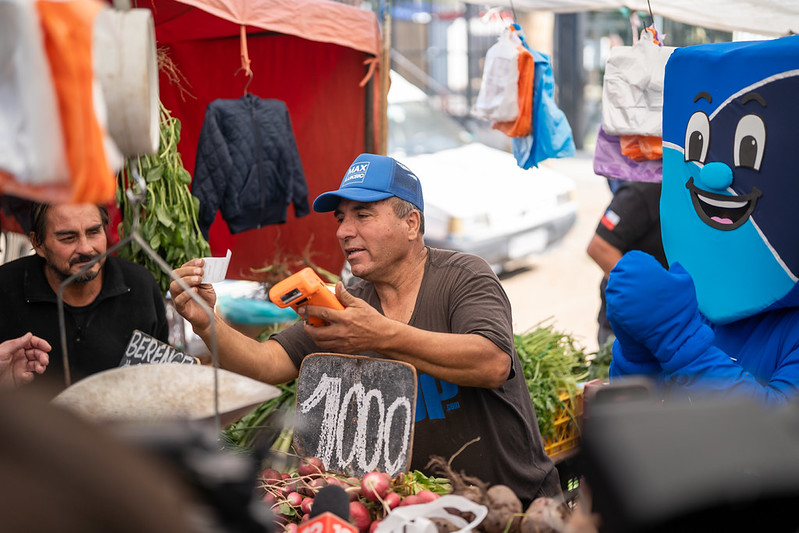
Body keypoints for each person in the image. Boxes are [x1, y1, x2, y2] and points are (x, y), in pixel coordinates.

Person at [170, 153, 561, 505]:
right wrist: (208, 324)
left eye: (363, 215)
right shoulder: (346, 302)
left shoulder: (464, 276)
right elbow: (267, 363)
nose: (343, 231)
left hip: (515, 506)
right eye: (341, 218)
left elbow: (491, 363)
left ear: (411, 223)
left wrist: (379, 335)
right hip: (421, 513)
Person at [0, 202, 169, 395]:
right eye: (68, 238)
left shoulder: (139, 286)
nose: (86, 249)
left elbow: (162, 383)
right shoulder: (5, 288)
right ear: (38, 243)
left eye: (94, 232)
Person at [586, 180, 666, 347]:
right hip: (630, 324)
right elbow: (599, 248)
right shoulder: (645, 190)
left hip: (668, 324)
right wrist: (648, 299)